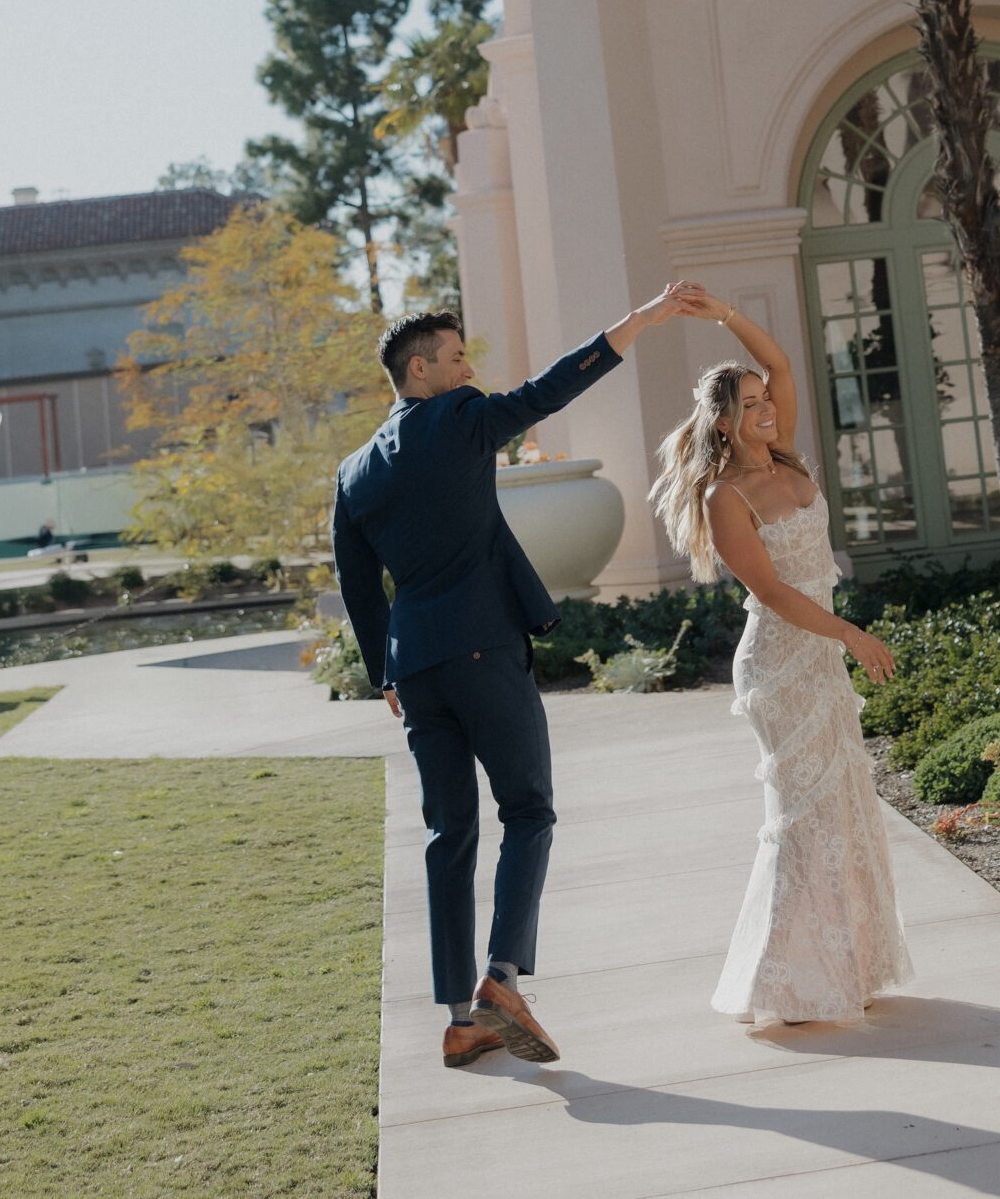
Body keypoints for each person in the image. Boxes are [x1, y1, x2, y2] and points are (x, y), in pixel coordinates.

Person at [332, 288, 695, 1071]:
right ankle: (501, 977)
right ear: (420, 369)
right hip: (484, 651)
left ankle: (460, 1021)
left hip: (415, 668)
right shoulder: (460, 419)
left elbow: (359, 588)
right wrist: (637, 322)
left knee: (448, 834)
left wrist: (383, 672)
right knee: (528, 809)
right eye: (457, 357)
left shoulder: (354, 471)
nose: (469, 369)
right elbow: (549, 389)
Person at [650, 293, 912, 1027]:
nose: (767, 408)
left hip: (819, 653)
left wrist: (725, 314)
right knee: (804, 816)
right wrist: (850, 633)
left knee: (843, 808)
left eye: (765, 400)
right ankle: (786, 983)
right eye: (751, 404)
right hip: (779, 663)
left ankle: (844, 968)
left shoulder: (787, 454)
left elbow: (782, 364)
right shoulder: (725, 496)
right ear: (723, 423)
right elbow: (768, 592)